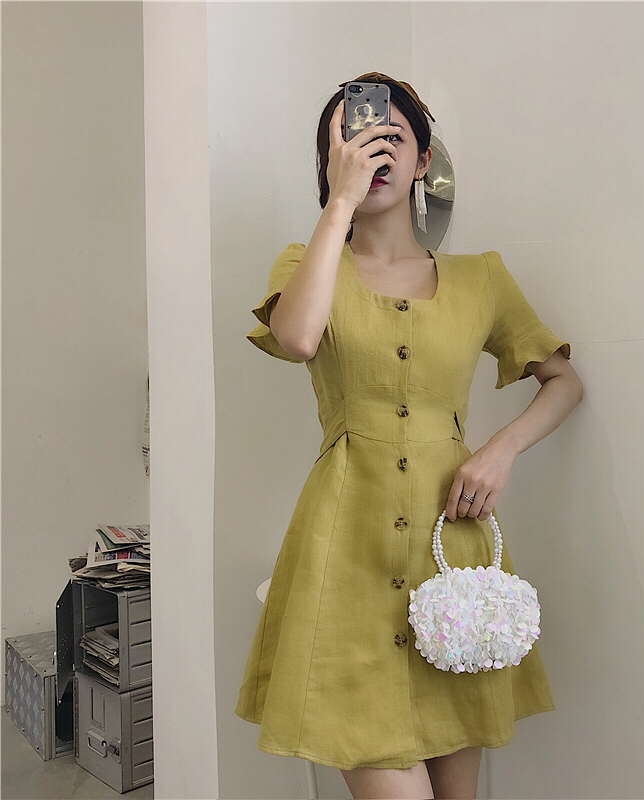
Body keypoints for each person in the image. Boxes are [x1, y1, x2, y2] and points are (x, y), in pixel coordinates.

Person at [234, 72, 584, 800]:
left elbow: (563, 381)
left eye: (392, 136)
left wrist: (500, 449)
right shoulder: (303, 264)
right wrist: (339, 204)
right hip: (346, 558)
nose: (376, 151)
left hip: (451, 557)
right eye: (355, 139)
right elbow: (297, 338)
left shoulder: (480, 279)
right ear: (332, 161)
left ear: (424, 159)